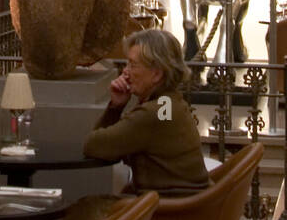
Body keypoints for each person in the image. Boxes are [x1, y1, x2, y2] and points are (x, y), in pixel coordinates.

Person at [83, 29, 210, 195]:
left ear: (156, 74)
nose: (125, 72)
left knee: (82, 211)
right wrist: (116, 106)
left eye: (133, 65)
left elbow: (93, 146)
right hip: (186, 206)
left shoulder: (154, 113)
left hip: (168, 213)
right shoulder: (169, 102)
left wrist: (116, 109)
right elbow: (107, 148)